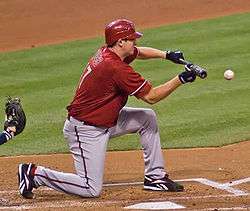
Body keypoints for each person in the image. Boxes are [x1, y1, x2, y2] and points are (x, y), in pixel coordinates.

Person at [18, 19, 198, 199]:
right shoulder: (114, 67)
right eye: (131, 39)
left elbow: (139, 52)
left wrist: (166, 55)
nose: (135, 42)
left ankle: (155, 178)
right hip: (86, 129)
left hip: (104, 121)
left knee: (146, 118)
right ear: (121, 42)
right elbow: (151, 96)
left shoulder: (109, 52)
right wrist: (180, 79)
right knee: (90, 188)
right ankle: (34, 174)